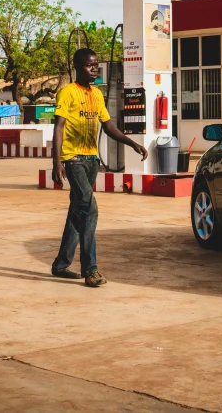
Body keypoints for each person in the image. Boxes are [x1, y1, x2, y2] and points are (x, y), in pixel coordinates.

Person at [51, 48, 148, 287]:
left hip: (92, 160)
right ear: (77, 67)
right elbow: (59, 127)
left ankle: (61, 265)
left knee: (78, 212)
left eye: (96, 65)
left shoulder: (97, 95)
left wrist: (132, 143)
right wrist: (56, 162)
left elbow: (108, 126)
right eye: (89, 65)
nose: (94, 69)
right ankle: (90, 269)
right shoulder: (67, 93)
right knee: (89, 208)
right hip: (73, 159)